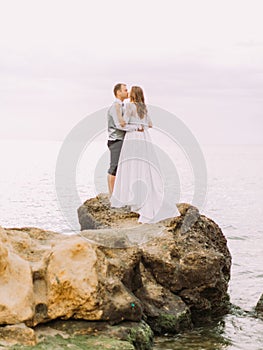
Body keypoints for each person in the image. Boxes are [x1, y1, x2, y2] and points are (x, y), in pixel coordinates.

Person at [110, 86, 180, 223]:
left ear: (133, 95)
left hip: (133, 138)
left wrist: (134, 127)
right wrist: (141, 126)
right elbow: (150, 125)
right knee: (143, 167)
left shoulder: (130, 106)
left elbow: (122, 125)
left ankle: (132, 197)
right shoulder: (144, 108)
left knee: (132, 166)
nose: (128, 92)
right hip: (144, 138)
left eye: (130, 91)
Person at [107, 83, 144, 197]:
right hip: (116, 140)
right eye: (125, 90)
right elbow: (119, 125)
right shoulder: (115, 107)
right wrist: (136, 128)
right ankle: (112, 195)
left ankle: (120, 193)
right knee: (114, 167)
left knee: (122, 167)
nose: (127, 92)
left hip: (122, 140)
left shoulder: (124, 106)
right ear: (118, 92)